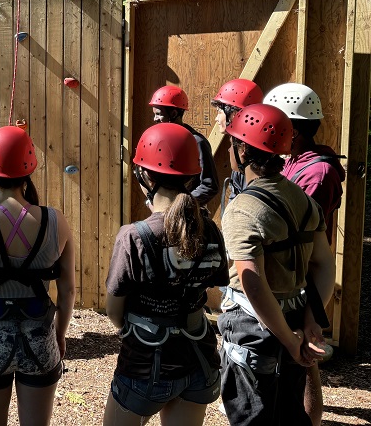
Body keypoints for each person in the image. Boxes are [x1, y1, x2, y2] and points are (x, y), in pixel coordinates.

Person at [103, 123, 229, 426]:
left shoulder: (134, 236)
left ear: (144, 176)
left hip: (145, 366)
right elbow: (214, 288)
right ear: (191, 175)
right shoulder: (209, 229)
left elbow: (114, 310)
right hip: (198, 361)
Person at [218, 103, 335, 426]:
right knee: (288, 413)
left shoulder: (243, 210)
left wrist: (288, 339)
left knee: (252, 418)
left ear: (241, 150)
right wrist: (311, 321)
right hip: (296, 315)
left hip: (255, 329)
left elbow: (253, 284)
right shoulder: (302, 199)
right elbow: (324, 264)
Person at [0, 126, 75, 426]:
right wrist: (59, 334)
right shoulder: (55, 221)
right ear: (29, 169)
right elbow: (68, 290)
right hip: (40, 340)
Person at [264, 83, 345, 425]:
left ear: (293, 130)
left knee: (304, 357)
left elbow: (293, 223)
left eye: (277, 126)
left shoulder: (317, 172)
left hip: (304, 273)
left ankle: (309, 421)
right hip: (294, 268)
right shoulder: (298, 161)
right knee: (296, 354)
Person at [150, 85, 219, 205]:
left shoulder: (196, 142)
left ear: (174, 113)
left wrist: (180, 205)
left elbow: (209, 185)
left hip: (188, 215)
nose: (154, 119)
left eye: (158, 114)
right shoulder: (162, 142)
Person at [211, 78, 264, 212]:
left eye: (219, 111)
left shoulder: (253, 158)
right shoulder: (239, 153)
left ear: (234, 114)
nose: (216, 118)